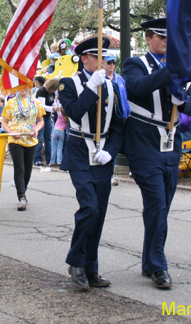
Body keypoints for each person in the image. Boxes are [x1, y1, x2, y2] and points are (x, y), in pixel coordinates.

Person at [122, 18, 191, 290]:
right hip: (144, 144)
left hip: (171, 144)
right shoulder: (135, 64)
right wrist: (171, 74)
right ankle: (158, 266)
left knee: (161, 206)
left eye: (169, 38)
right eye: (160, 36)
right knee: (156, 203)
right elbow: (137, 88)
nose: (166, 41)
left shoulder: (179, 69)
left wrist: (183, 98)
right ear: (148, 38)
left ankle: (148, 260)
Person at [58, 35, 124, 291]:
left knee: (99, 215)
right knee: (90, 208)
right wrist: (90, 88)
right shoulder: (68, 84)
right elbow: (74, 112)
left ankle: (90, 268)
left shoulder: (111, 86)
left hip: (102, 156)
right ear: (84, 58)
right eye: (98, 56)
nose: (103, 61)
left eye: (104, 57)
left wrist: (111, 150)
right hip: (79, 153)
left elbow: (119, 123)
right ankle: (76, 263)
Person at [0, 87, 45, 211]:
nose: (23, 89)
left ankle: (22, 190)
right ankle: (22, 197)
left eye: (25, 85)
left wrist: (36, 129)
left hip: (30, 140)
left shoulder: (36, 102)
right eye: (20, 86)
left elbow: (41, 121)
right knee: (19, 168)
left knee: (28, 169)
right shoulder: (11, 103)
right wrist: (11, 132)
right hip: (15, 140)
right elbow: (4, 122)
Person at [35, 77, 59, 166]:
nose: (54, 91)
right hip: (40, 117)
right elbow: (42, 106)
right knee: (39, 138)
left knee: (48, 138)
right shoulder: (42, 91)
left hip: (48, 117)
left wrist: (55, 105)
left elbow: (52, 102)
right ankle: (37, 158)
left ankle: (49, 159)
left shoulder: (52, 93)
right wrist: (53, 108)